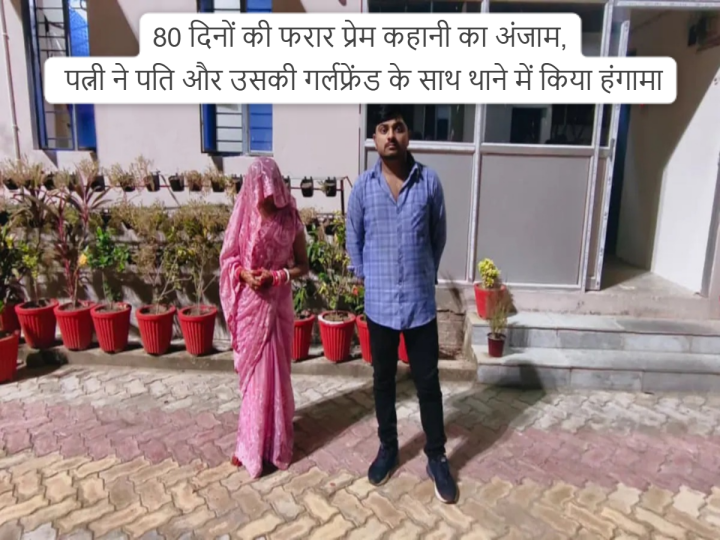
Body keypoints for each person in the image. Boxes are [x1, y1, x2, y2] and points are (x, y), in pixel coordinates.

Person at [346, 105, 457, 504]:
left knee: (428, 383)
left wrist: (424, 273)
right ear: (374, 137)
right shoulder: (362, 188)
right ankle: (388, 448)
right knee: (383, 382)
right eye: (383, 128)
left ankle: (436, 456)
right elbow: (353, 237)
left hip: (419, 304)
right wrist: (364, 276)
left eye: (398, 127)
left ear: (408, 133)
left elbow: (438, 236)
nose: (390, 135)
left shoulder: (429, 182)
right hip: (379, 307)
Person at [219, 157, 309, 479]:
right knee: (253, 382)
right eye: (259, 185)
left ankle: (274, 446)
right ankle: (250, 445)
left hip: (277, 306)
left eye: (269, 184)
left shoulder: (290, 217)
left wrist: (277, 276)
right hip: (250, 307)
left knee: (275, 376)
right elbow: (228, 258)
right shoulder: (244, 213)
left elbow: (303, 265)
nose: (265, 192)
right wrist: (243, 274)